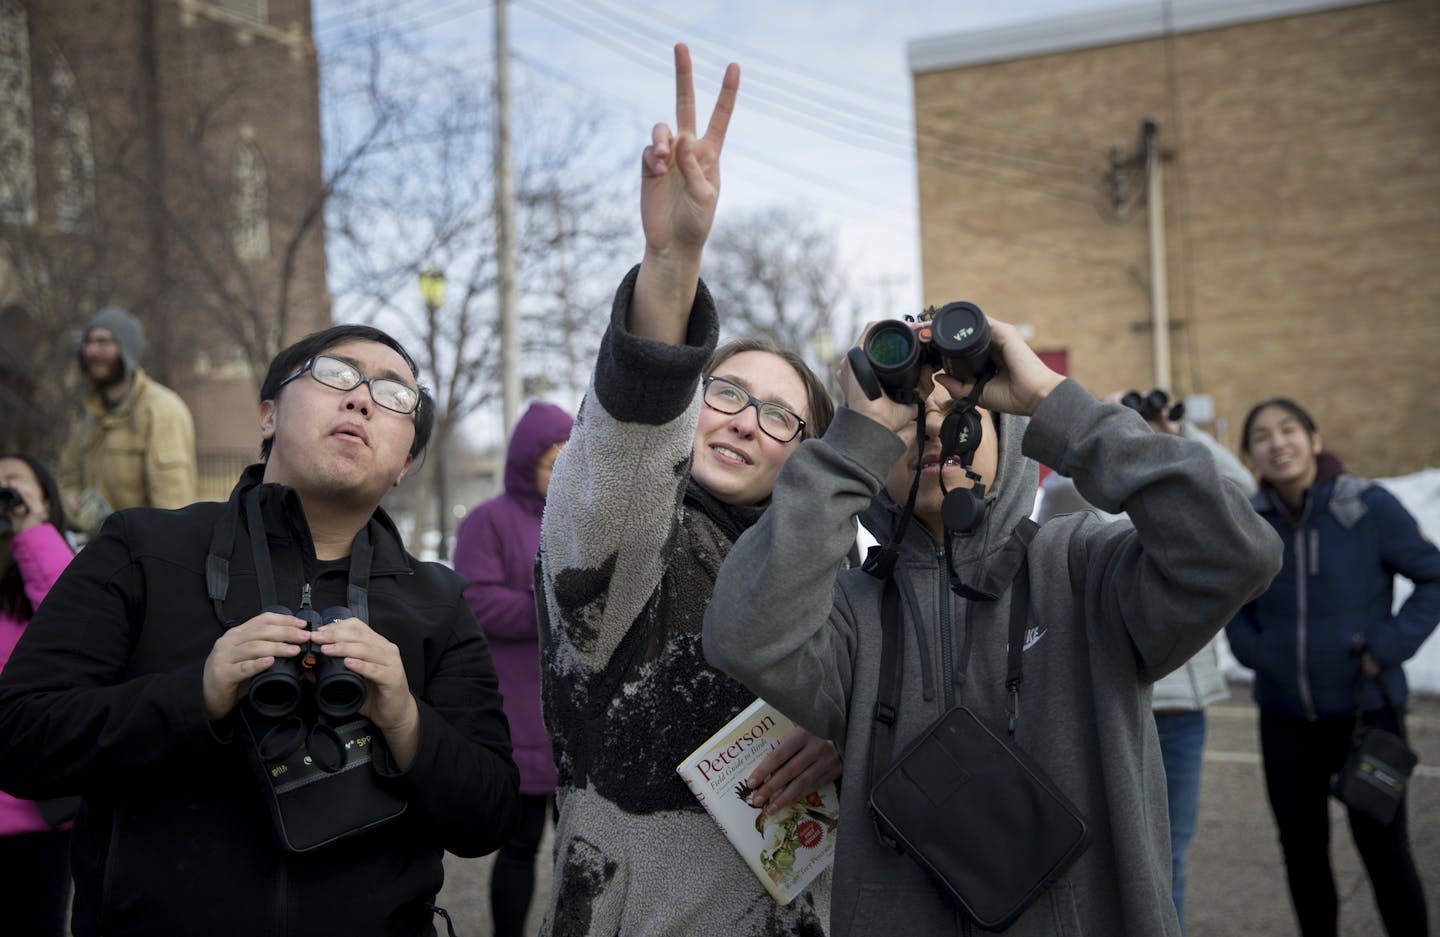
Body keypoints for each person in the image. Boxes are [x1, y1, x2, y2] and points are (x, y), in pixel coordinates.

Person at [703, 318, 1284, 935]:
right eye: (906, 414)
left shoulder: (1083, 567)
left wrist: (1051, 402)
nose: (930, 424)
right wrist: (853, 442)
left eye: (959, 411)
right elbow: (743, 635)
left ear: (1009, 443)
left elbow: (1236, 553)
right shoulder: (848, 614)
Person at [0, 324, 521, 936]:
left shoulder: (438, 601)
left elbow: (490, 816)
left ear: (405, 462)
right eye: (335, 375)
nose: (360, 399)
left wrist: (406, 720)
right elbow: (19, 737)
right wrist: (197, 696)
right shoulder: (141, 549)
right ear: (268, 415)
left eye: (394, 394)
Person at [534, 43, 839, 937]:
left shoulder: (825, 574)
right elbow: (627, 455)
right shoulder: (626, 545)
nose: (746, 420)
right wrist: (672, 267)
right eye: (728, 392)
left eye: (781, 416)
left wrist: (853, 730)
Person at [1035, 387, 1253, 930]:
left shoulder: (1177, 478)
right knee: (1102, 860)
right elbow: (1048, 508)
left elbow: (1244, 496)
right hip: (1110, 697)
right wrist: (1093, 429)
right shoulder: (1084, 486)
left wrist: (1179, 436)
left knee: (1167, 855)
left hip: (1180, 705)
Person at [1226, 397, 1438, 937]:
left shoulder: (1367, 507)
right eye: (1262, 437)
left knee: (1385, 855)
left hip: (1365, 718)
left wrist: (1388, 645)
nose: (1277, 443)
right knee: (1302, 855)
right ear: (1251, 455)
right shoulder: (1251, 521)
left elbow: (1433, 577)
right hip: (1284, 719)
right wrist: (1257, 652)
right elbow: (1231, 596)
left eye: (1289, 430)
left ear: (1315, 441)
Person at [453, 400, 573, 937]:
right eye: (553, 463)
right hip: (521, 712)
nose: (563, 474)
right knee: (521, 844)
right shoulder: (488, 522)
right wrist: (549, 609)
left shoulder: (580, 521)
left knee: (577, 856)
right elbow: (473, 601)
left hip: (575, 717)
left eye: (572, 462)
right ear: (527, 462)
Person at [0, 453, 76, 937]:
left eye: (13, 483)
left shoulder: (55, 568)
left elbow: (67, 616)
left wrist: (28, 526)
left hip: (36, 821)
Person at [59, 305, 198, 532]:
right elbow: (68, 478)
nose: (92, 351)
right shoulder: (87, 416)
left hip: (143, 555)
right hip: (95, 552)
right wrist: (70, 500)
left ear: (127, 349)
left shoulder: (161, 410)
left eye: (103, 342)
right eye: (88, 342)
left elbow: (173, 508)